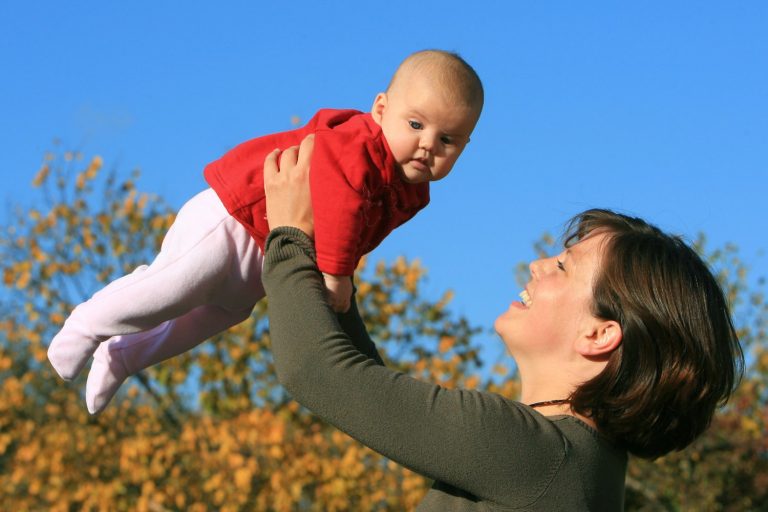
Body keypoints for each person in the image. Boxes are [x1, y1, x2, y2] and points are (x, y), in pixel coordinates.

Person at [261, 135, 744, 510]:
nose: (537, 265)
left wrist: (287, 235)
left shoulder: (533, 452)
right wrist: (335, 272)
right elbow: (366, 387)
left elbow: (317, 371)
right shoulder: (580, 465)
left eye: (563, 267)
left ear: (599, 334)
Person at [47, 49, 484, 414]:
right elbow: (340, 199)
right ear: (381, 109)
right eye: (416, 125)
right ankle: (86, 324)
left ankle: (123, 356)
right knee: (170, 288)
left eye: (448, 140)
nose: (428, 144)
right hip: (236, 218)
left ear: (465, 147)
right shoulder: (359, 145)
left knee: (211, 318)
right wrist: (336, 273)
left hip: (267, 254)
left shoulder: (411, 192)